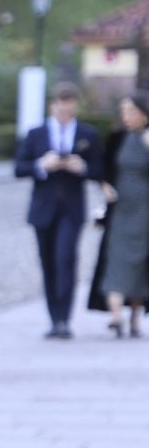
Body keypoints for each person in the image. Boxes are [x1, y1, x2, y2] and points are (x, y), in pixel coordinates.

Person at [15, 82, 103, 339]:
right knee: (48, 262)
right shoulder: (36, 134)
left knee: (65, 259)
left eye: (70, 108)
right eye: (61, 107)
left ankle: (64, 318)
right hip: (43, 208)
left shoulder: (88, 134)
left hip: (71, 209)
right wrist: (42, 165)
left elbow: (99, 169)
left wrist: (82, 167)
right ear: (53, 106)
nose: (65, 112)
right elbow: (19, 168)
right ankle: (54, 318)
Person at [92, 91, 149, 338]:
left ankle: (135, 316)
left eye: (132, 112)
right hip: (121, 209)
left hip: (145, 210)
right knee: (116, 258)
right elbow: (102, 169)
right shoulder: (116, 138)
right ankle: (116, 316)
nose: (127, 116)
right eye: (124, 111)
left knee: (139, 263)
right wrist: (105, 186)